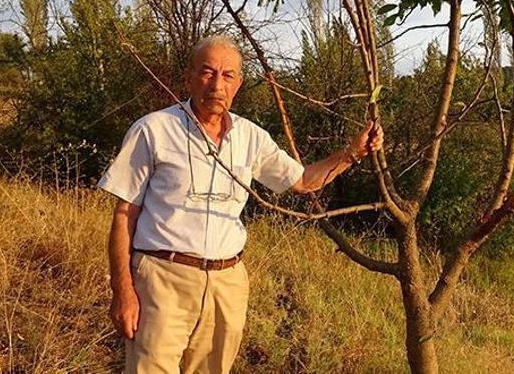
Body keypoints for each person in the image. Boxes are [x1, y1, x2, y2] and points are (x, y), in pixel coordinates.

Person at [98, 35, 383, 373]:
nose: (217, 84)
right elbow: (124, 215)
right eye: (207, 72)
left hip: (226, 284)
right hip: (161, 280)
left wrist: (353, 153)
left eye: (228, 75)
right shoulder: (154, 130)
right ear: (188, 77)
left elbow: (304, 181)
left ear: (238, 84)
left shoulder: (251, 137)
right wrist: (123, 290)